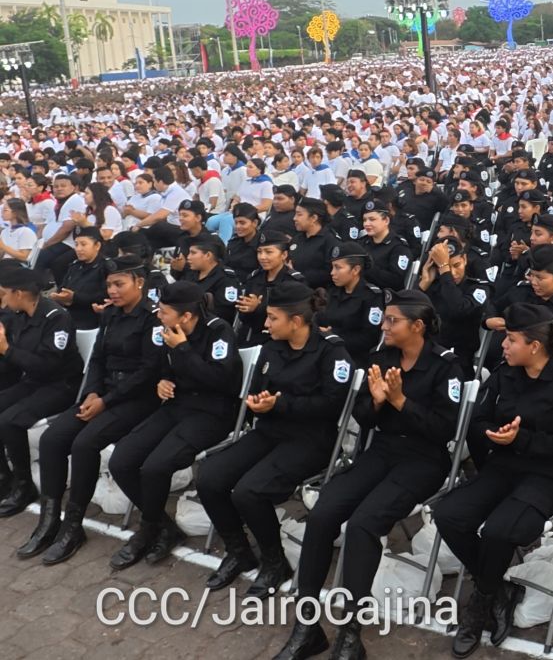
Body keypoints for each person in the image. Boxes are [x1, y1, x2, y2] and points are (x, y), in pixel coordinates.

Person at [275, 290, 463, 659]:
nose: (384, 325)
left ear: (418, 326)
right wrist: (377, 401)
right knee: (325, 511)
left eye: (393, 320)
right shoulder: (382, 358)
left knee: (364, 523)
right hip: (383, 450)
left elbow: (445, 430)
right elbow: (363, 417)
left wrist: (400, 402)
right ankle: (308, 622)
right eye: (385, 318)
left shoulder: (446, 366)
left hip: (424, 459)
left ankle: (351, 630)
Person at [435, 303, 553, 658]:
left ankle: (480, 602)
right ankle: (497, 592)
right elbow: (477, 420)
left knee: (499, 531)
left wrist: (522, 440)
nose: (503, 345)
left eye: (512, 339)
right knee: (450, 515)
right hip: (503, 465)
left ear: (534, 346)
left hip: (548, 474)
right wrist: (495, 435)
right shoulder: (505, 374)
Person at [196, 282, 354, 598]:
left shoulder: (331, 351)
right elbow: (256, 388)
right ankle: (239, 551)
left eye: (272, 318)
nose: (265, 325)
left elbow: (331, 405)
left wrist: (279, 405)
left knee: (248, 492)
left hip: (311, 440)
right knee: (210, 477)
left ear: (296, 321)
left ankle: (274, 561)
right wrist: (257, 402)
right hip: (269, 430)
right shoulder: (272, 346)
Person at [19, 255, 162, 565]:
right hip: (103, 392)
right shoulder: (110, 315)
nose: (112, 290)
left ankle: (73, 526)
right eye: (109, 284)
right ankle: (49, 519)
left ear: (139, 282)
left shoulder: (153, 319)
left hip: (137, 399)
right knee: (53, 439)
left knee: (84, 444)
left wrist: (106, 401)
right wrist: (94, 391)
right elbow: (96, 359)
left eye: (119, 284)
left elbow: (149, 372)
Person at [106, 279, 240, 568]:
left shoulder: (219, 332)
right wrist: (163, 381)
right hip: (178, 405)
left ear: (187, 315)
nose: (159, 316)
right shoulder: (168, 331)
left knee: (156, 466)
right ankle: (163, 527)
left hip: (212, 412)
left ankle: (147, 529)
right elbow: (163, 368)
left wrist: (182, 350)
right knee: (122, 460)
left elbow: (223, 381)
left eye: (165, 311)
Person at [0, 266, 83, 515]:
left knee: (9, 421)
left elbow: (48, 366)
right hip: (35, 381)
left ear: (20, 293)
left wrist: (6, 350)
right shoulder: (19, 315)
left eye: (4, 294)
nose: (2, 301)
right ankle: (5, 477)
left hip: (61, 384)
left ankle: (24, 485)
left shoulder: (56, 317)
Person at [316, 242, 385, 366]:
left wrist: (332, 336)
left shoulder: (372, 297)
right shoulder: (334, 291)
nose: (332, 272)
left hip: (353, 358)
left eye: (338, 267)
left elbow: (369, 339)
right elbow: (322, 319)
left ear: (356, 270)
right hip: (327, 351)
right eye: (332, 267)